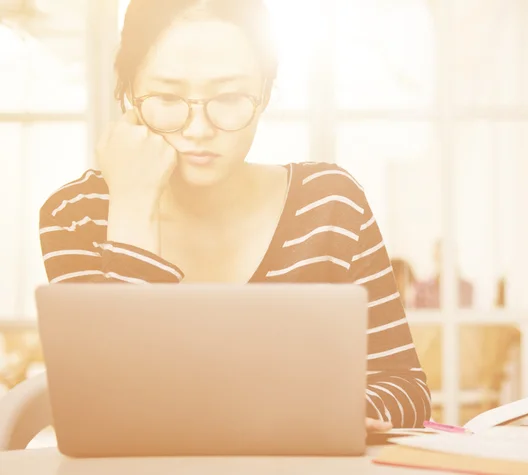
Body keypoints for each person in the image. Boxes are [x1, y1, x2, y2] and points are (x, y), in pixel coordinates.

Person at [38, 0, 431, 430]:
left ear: (264, 93)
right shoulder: (76, 215)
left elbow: (404, 389)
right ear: (128, 93)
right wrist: (133, 206)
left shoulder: (330, 204)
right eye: (167, 97)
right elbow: (108, 408)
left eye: (229, 97)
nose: (200, 129)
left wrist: (329, 416)